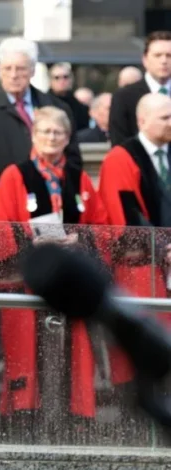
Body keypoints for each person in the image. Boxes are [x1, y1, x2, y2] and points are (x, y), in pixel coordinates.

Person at [0, 106, 108, 443]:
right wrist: (32, 240)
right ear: (33, 136)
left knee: (72, 358)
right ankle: (24, 425)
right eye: (45, 132)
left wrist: (79, 239)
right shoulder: (15, 174)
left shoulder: (78, 178)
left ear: (68, 138)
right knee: (27, 357)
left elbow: (101, 226)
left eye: (57, 133)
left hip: (71, 283)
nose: (51, 138)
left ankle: (70, 427)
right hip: (28, 283)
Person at [98, 92, 171, 388]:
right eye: (165, 117)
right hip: (141, 267)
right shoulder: (121, 158)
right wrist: (163, 249)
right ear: (142, 120)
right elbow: (127, 219)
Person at [0, 37, 81, 211]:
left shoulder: (56, 106)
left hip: (53, 204)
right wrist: (12, 198)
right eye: (7, 68)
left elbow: (73, 158)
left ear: (32, 70)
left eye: (20, 68)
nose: (13, 75)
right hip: (4, 208)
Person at [109, 31, 171, 147]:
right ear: (145, 60)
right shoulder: (124, 97)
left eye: (169, 55)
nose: (164, 61)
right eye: (157, 55)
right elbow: (119, 143)